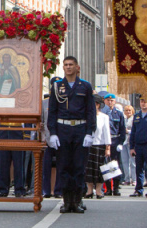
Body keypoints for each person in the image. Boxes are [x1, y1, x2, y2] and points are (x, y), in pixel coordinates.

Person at [47, 56, 96, 214]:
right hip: (63, 130)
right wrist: (52, 133)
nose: (68, 67)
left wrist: (90, 132)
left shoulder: (85, 86)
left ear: (77, 67)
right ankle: (67, 201)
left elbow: (90, 111)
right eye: (66, 65)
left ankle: (78, 200)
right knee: (63, 166)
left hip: (80, 129)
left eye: (71, 65)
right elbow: (52, 111)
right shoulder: (56, 87)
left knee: (79, 166)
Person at [84, 94, 111, 199]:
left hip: (100, 145)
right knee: (88, 168)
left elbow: (106, 132)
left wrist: (108, 147)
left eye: (94, 104)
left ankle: (99, 191)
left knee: (100, 168)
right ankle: (89, 190)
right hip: (88, 145)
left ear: (98, 105)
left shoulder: (104, 117)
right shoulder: (86, 116)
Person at [101, 93, 126, 196]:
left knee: (116, 165)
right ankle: (108, 188)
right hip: (105, 141)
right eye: (108, 100)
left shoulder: (119, 114)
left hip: (115, 140)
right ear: (105, 101)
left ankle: (115, 188)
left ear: (115, 101)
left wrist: (121, 143)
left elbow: (122, 129)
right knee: (106, 165)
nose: (110, 102)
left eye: (112, 100)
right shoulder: (102, 113)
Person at [129, 98, 147, 198]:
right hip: (138, 146)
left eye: (145, 101)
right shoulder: (137, 116)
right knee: (139, 168)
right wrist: (131, 147)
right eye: (141, 101)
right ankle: (138, 190)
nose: (143, 103)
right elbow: (133, 132)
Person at [120, 105, 135, 185]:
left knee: (133, 162)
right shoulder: (123, 119)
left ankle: (134, 179)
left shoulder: (134, 118)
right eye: (126, 110)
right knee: (124, 161)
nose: (128, 112)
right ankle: (127, 179)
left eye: (129, 110)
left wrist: (128, 131)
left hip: (131, 141)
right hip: (123, 142)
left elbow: (135, 130)